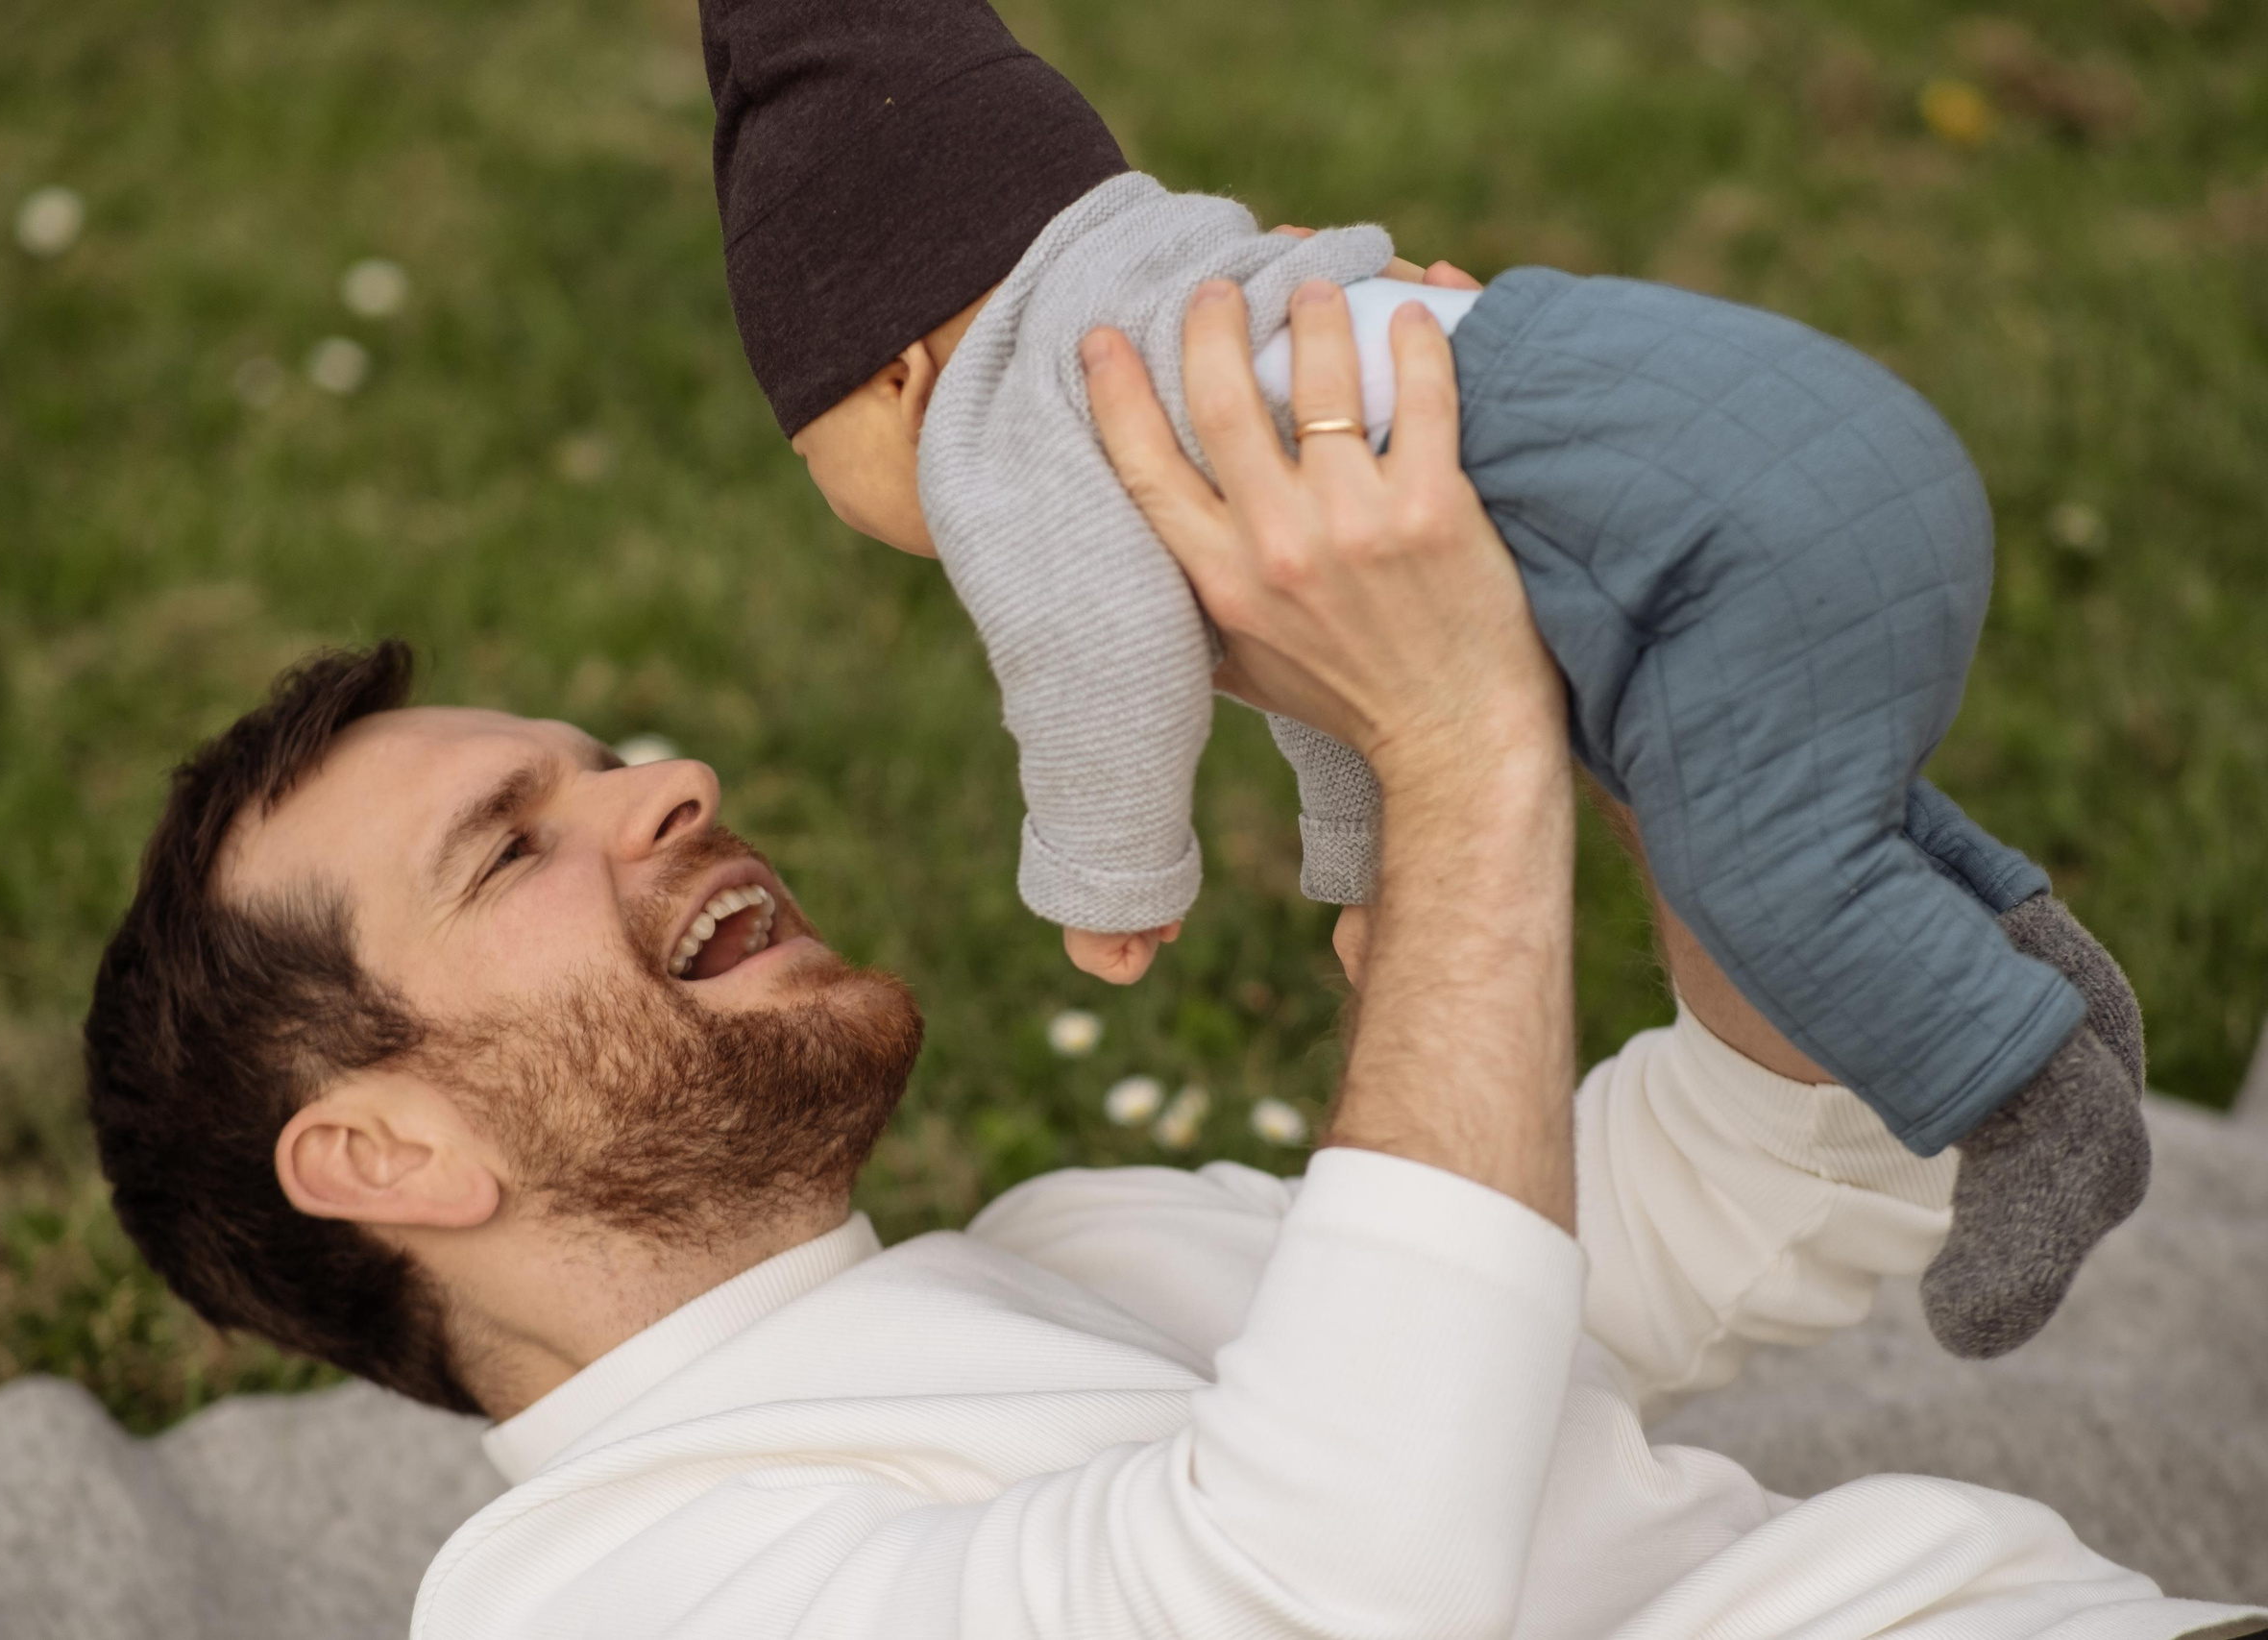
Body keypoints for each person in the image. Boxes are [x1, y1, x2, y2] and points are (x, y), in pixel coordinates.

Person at [79, 269, 2262, 1640]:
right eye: (509, 843)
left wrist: (1654, 714)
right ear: (379, 1150)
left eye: (594, 757)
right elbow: (1309, 1588)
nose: (666, 777)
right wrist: (1451, 748)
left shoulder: (1083, 1238)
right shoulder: (582, 1587)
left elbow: (1734, 1212)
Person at [708, 0, 2146, 1357]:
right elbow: (1326, 665)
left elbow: (1093, 650)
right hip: (1801, 433)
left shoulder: (1014, 419)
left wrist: (1109, 875)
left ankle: (2025, 1099)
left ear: (893, 374)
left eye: (809, 454)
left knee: (1757, 868)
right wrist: (1376, 863)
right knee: (1792, 795)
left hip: (1725, 536)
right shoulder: (1214, 305)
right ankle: (2043, 969)